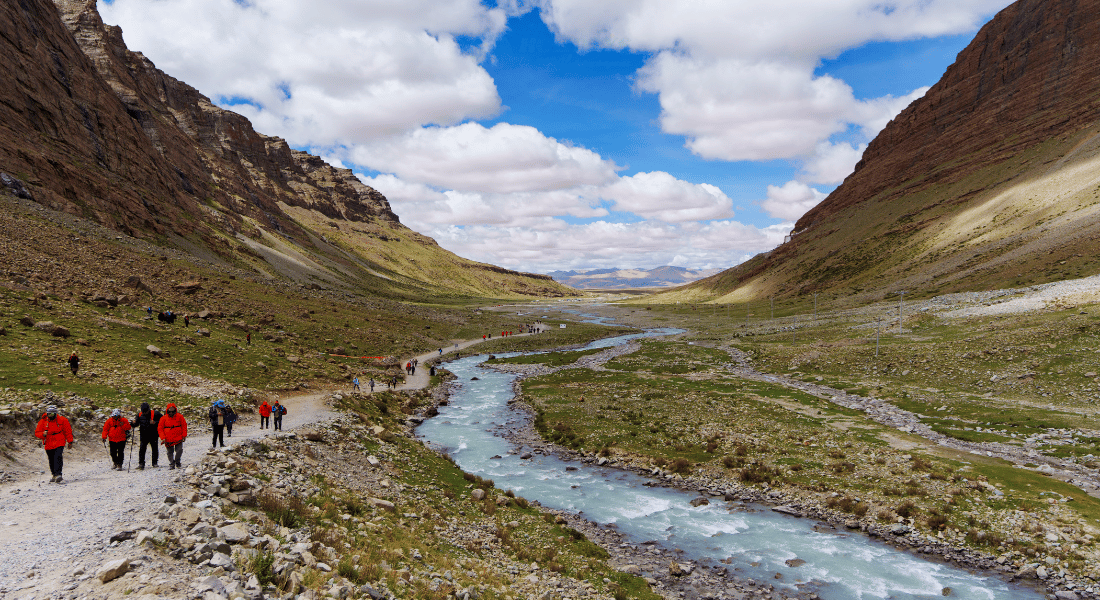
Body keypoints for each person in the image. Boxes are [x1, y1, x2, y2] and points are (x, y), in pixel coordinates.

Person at [35, 405, 73, 483]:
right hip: (48, 442)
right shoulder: (43, 421)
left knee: (58, 457)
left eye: (52, 414)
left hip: (60, 441)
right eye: (49, 414)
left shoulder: (63, 420)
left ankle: (59, 475)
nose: (50, 416)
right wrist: (43, 434)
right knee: (51, 459)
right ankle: (54, 474)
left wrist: (70, 441)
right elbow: (37, 433)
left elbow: (68, 431)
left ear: (56, 413)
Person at [133, 402, 162, 470]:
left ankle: (154, 463)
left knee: (154, 449)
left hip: (153, 434)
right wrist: (133, 423)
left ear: (149, 409)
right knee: (142, 450)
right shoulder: (139, 415)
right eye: (143, 412)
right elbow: (136, 424)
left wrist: (155, 422)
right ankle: (141, 464)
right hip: (143, 435)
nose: (145, 413)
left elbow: (163, 421)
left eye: (146, 411)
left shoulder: (156, 413)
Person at [158, 403, 187, 469]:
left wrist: (184, 435)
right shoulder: (163, 418)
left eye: (172, 411)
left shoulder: (180, 416)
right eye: (169, 411)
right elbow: (160, 428)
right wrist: (162, 437)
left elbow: (184, 426)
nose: (171, 413)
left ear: (175, 410)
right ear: (167, 411)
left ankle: (177, 461)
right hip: (168, 438)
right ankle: (172, 463)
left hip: (178, 437)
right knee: (169, 452)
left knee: (179, 450)